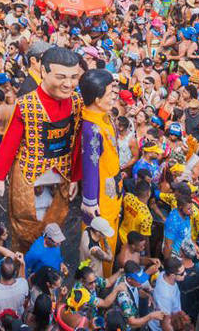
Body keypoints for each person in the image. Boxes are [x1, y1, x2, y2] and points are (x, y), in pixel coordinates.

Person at [0, 46, 82, 249]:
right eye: (61, 77)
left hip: (62, 175)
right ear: (44, 73)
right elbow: (10, 141)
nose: (68, 84)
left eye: (74, 77)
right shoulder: (27, 104)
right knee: (25, 226)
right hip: (30, 176)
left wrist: (75, 176)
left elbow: (76, 140)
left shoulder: (76, 101)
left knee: (56, 221)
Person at [79, 68, 122, 275]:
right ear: (97, 99)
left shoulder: (102, 116)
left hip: (112, 190)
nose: (114, 96)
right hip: (100, 199)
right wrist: (89, 201)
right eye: (109, 93)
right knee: (102, 243)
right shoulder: (92, 128)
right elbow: (90, 167)